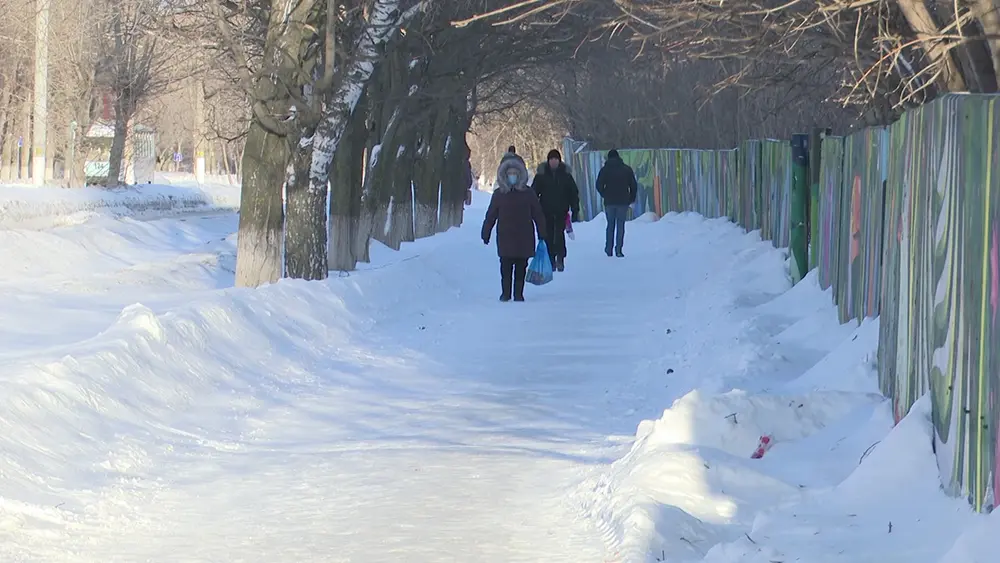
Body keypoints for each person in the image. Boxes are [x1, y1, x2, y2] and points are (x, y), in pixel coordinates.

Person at [482, 155, 547, 302]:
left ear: (520, 175)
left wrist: (542, 232)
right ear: (504, 175)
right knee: (505, 266)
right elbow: (491, 214)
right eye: (509, 174)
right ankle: (506, 293)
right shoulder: (499, 194)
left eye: (515, 173)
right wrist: (486, 232)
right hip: (505, 236)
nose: (512, 176)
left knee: (521, 266)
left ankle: (518, 293)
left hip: (524, 236)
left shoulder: (528, 193)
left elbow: (538, 213)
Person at [530, 149, 579, 272]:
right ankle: (551, 259)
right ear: (548, 161)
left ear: (559, 160)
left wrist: (575, 209)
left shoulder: (565, 175)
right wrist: (532, 208)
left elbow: (573, 192)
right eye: (551, 159)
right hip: (546, 211)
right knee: (548, 235)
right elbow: (534, 192)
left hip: (561, 210)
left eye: (556, 159)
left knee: (559, 235)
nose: (553, 161)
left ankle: (560, 258)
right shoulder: (542, 175)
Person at [596, 149, 637, 258]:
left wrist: (605, 194)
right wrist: (631, 199)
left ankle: (608, 248)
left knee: (610, 225)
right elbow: (633, 185)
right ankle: (619, 249)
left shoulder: (604, 170)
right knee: (620, 226)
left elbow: (598, 185)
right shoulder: (626, 169)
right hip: (623, 202)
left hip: (609, 202)